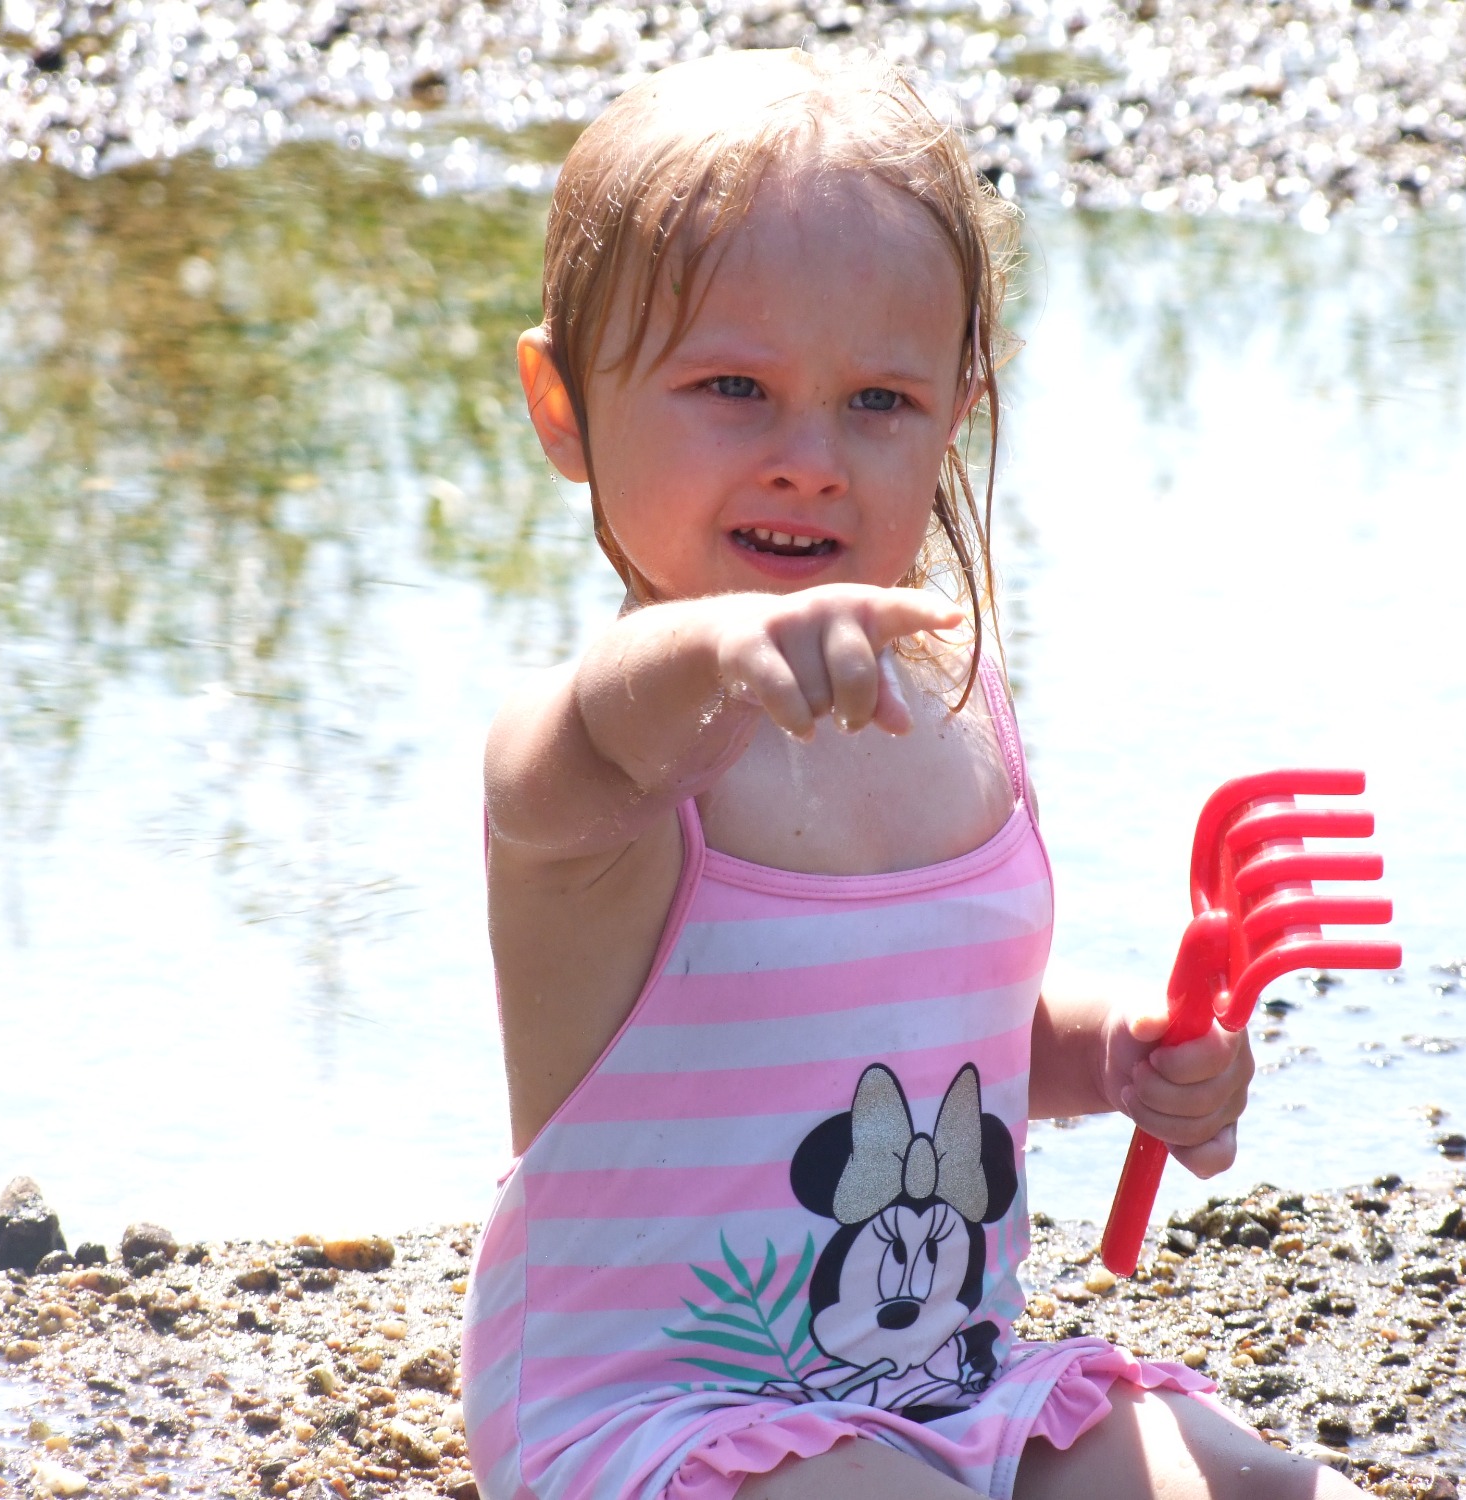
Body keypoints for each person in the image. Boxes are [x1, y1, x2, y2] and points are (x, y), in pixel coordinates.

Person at [463, 47, 1362, 1500]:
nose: (810, 459)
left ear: (957, 408)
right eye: (734, 386)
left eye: (878, 401)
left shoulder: (959, 709)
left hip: (951, 1385)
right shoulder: (607, 764)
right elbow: (566, 752)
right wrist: (721, 651)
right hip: (653, 1418)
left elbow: (956, 1042)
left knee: (1257, 1485)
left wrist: (1118, 1053)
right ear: (562, 406)